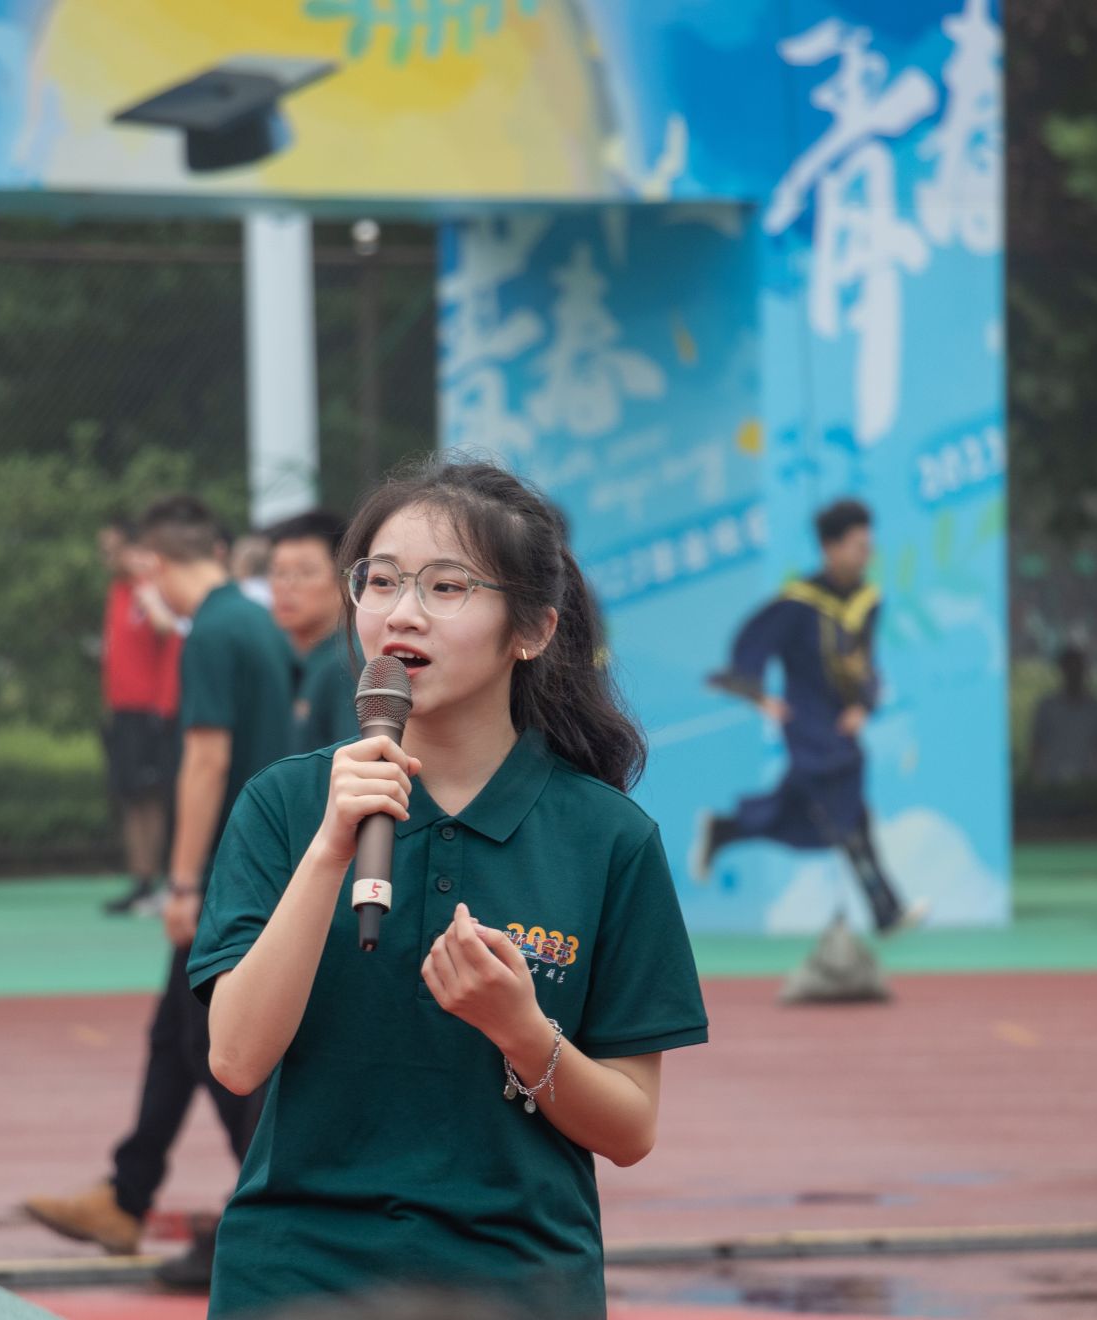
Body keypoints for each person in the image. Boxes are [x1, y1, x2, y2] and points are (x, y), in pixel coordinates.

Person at [190, 461, 710, 1318]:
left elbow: (630, 1130)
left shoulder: (608, 839)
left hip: (516, 1284)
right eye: (380, 581)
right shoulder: (286, 804)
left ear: (531, 630)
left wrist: (520, 1030)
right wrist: (329, 850)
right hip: (296, 1278)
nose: (402, 613)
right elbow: (237, 1061)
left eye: (446, 586)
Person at [26, 495, 297, 1291]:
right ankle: (130, 1192)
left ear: (152, 564)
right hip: (251, 864)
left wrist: (183, 882)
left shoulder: (211, 631)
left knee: (206, 1041)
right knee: (175, 1035)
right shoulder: (251, 623)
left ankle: (279, 1196)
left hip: (228, 871)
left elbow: (207, 760)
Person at [690, 498, 926, 935]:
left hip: (841, 724)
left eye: (868, 545)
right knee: (848, 811)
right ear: (831, 548)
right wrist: (759, 695)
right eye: (857, 545)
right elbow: (754, 642)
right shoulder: (799, 603)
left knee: (818, 813)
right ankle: (886, 910)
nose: (867, 553)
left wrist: (862, 704)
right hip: (809, 727)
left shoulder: (868, 601)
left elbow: (864, 663)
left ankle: (726, 829)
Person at [98, 519, 186, 916]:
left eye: (114, 549)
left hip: (152, 709)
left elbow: (170, 628)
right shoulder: (117, 590)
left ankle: (169, 880)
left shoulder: (154, 588)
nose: (108, 557)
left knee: (155, 796)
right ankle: (141, 881)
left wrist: (151, 598)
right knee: (131, 796)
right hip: (123, 710)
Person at [264, 510, 359, 753]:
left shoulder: (347, 663)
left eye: (306, 572)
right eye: (278, 572)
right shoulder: (299, 658)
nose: (286, 586)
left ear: (346, 583)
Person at [1030, 646, 1097, 785]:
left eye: (1077, 669)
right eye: (1071, 670)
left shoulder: (1095, 709)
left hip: (1088, 779)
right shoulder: (1047, 707)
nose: (1074, 675)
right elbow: (1036, 746)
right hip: (1053, 778)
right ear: (1063, 671)